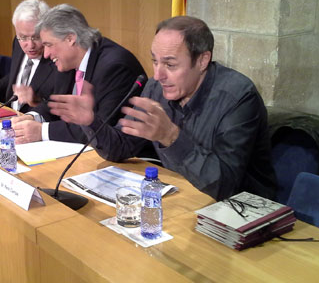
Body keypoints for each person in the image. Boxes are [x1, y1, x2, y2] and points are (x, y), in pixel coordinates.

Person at [48, 16, 277, 201]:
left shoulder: (238, 98)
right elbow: (121, 148)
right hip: (183, 199)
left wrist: (170, 136)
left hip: (242, 213)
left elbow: (224, 185)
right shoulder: (156, 88)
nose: (158, 75)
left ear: (202, 60)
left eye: (170, 64)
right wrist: (91, 122)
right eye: (155, 62)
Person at [11, 4, 146, 144]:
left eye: (49, 45)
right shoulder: (69, 61)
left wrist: (42, 131)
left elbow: (100, 128)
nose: (46, 54)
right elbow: (57, 103)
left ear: (70, 39)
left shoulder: (114, 67)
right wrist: (34, 117)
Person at [0, 0, 56, 112]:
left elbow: (60, 107)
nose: (30, 45)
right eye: (23, 37)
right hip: (8, 116)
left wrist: (36, 100)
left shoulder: (58, 59)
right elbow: (15, 76)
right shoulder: (17, 43)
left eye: (36, 37)